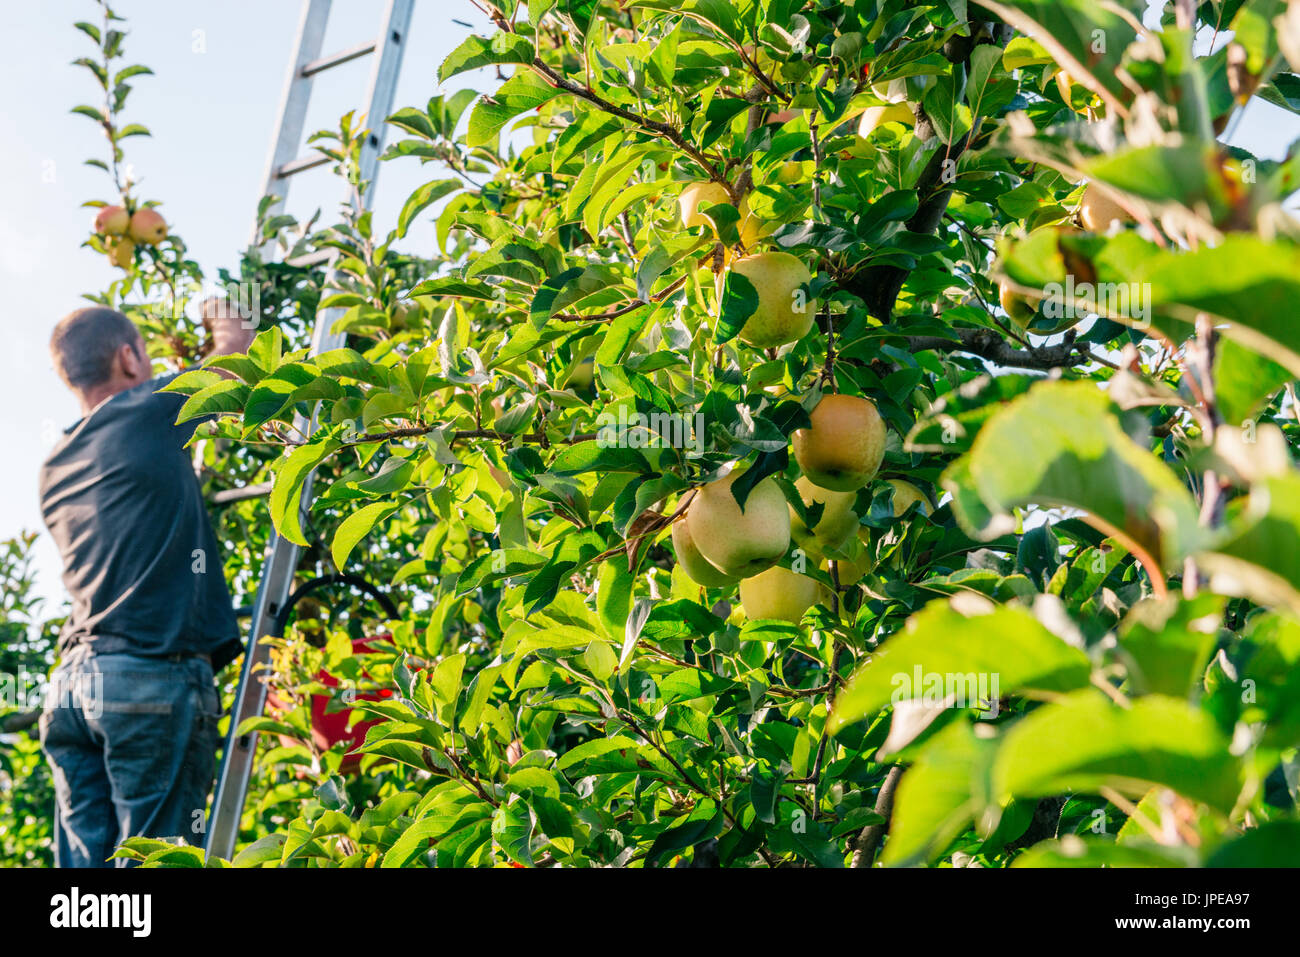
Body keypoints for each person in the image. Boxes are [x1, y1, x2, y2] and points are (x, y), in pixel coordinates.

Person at [37, 301, 256, 867]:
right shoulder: (147, 411)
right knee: (155, 871)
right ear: (129, 357)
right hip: (148, 680)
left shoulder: (55, 463)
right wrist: (224, 311)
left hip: (71, 692)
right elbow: (236, 359)